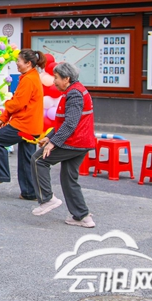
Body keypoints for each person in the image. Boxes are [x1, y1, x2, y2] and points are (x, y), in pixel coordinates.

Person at [31, 62, 96, 228]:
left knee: (38, 160)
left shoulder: (74, 94)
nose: (54, 82)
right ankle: (82, 216)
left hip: (74, 142)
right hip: (80, 142)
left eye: (56, 78)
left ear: (66, 79)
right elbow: (65, 122)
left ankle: (47, 199)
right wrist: (50, 137)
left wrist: (53, 143)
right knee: (68, 178)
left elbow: (70, 123)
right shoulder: (75, 90)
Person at [0, 49, 46, 201]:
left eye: (19, 61)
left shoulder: (28, 79)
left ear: (28, 63)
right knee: (27, 158)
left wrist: (5, 109)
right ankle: (29, 192)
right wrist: (3, 118)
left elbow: (17, 103)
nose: (17, 64)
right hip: (32, 125)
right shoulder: (32, 76)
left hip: (23, 124)